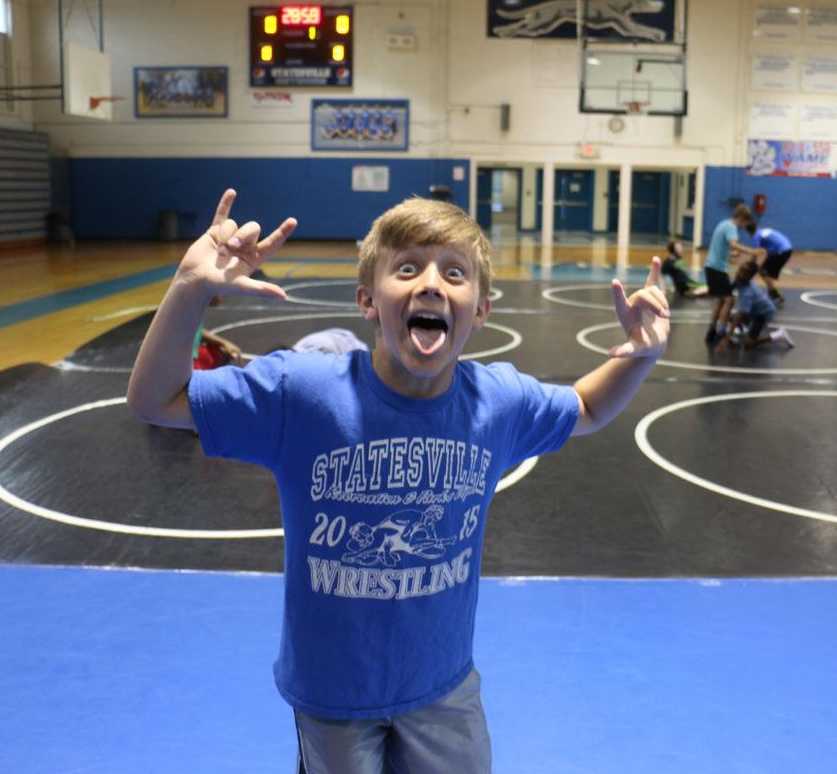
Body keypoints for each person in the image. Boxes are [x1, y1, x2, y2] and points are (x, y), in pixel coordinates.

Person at [125, 190, 670, 774]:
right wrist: (189, 288)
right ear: (367, 300)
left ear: (481, 309)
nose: (431, 284)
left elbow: (586, 408)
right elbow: (155, 400)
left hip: (443, 685)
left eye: (455, 272)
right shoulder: (304, 393)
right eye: (406, 268)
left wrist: (640, 354)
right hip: (333, 692)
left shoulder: (496, 403)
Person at [704, 203, 764, 343]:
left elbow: (719, 248)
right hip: (717, 269)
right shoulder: (731, 227)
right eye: (745, 223)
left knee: (722, 300)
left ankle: (712, 330)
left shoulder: (723, 224)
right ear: (741, 218)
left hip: (712, 267)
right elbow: (733, 244)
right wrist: (752, 251)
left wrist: (730, 255)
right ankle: (722, 332)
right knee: (729, 300)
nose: (744, 227)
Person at [716, 260, 794, 351]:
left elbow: (738, 316)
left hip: (762, 314)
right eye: (740, 269)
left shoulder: (747, 293)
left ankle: (779, 334)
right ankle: (743, 328)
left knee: (749, 343)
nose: (739, 273)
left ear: (749, 277)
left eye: (743, 272)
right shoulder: (740, 279)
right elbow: (728, 289)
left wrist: (726, 339)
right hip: (753, 309)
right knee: (725, 315)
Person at [743, 220, 792, 305]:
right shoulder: (761, 232)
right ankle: (772, 291)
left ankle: (775, 294)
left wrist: (750, 267)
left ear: (748, 232)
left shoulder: (756, 236)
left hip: (781, 251)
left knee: (764, 272)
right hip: (785, 249)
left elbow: (755, 254)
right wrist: (759, 265)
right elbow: (765, 253)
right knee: (764, 271)